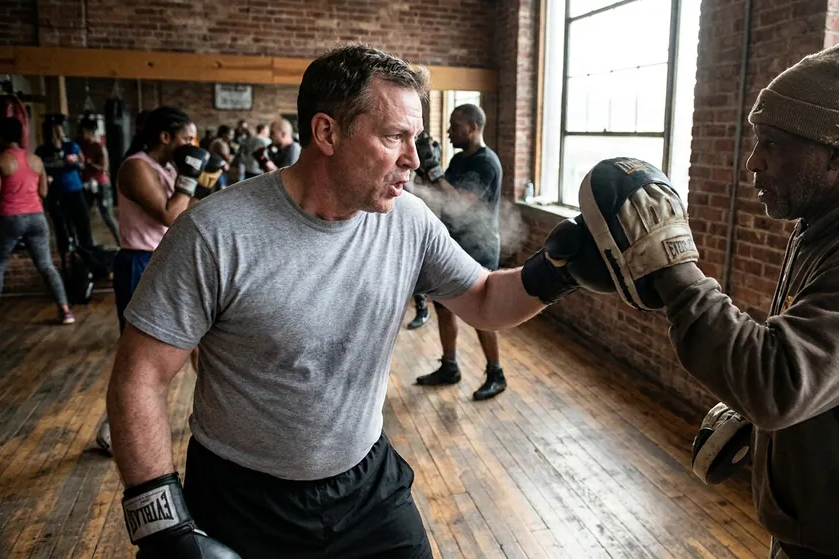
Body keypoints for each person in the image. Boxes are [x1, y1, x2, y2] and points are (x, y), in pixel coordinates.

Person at [104, 44, 605, 558]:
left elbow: (482, 298)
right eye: (394, 137)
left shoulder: (407, 219)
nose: (413, 158)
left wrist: (561, 271)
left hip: (366, 485)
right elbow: (140, 375)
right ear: (327, 132)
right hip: (243, 498)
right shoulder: (215, 233)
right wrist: (160, 526)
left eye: (416, 138)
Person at [563, 43, 839, 558]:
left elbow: (777, 383)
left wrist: (674, 266)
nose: (753, 162)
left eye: (772, 145)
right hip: (819, 537)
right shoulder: (827, 230)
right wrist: (771, 434)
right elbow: (818, 367)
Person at [94, 106, 205, 455]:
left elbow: (190, 210)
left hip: (173, 259)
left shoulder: (167, 167)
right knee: (143, 356)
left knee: (202, 343)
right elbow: (171, 215)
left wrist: (208, 179)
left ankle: (223, 414)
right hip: (140, 262)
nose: (191, 144)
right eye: (186, 138)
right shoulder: (135, 167)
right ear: (165, 137)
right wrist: (190, 176)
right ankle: (116, 426)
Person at [412, 104, 507, 400]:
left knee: (482, 312)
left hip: (479, 247)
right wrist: (422, 169)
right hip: (453, 241)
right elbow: (442, 195)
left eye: (455, 125)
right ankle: (450, 366)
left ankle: (496, 373)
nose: (450, 131)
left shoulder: (486, 163)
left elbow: (463, 203)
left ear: (473, 128)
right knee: (442, 304)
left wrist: (437, 173)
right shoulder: (458, 159)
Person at [0, 117, 74, 329]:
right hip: (37, 217)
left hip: (9, 216)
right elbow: (43, 192)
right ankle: (65, 311)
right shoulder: (36, 160)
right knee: (46, 265)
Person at [36, 117, 96, 270]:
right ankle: (66, 262)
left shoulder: (71, 146)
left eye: (58, 131)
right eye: (53, 132)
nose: (57, 135)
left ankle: (89, 260)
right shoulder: (41, 151)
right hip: (55, 194)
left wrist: (74, 162)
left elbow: (82, 164)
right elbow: (39, 170)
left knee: (83, 224)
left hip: (74, 191)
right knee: (62, 228)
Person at [79, 116, 122, 246]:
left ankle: (121, 243)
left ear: (90, 131)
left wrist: (90, 163)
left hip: (101, 184)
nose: (82, 134)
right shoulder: (82, 146)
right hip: (87, 185)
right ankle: (90, 244)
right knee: (84, 214)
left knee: (107, 216)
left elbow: (104, 168)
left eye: (84, 132)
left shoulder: (99, 147)